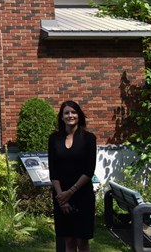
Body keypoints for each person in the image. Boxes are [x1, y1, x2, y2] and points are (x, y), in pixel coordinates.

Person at [48, 101, 97, 252]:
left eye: (73, 112)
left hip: (82, 194)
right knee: (68, 239)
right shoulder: (54, 139)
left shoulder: (89, 138)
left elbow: (89, 170)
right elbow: (53, 170)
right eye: (66, 113)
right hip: (60, 196)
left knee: (82, 241)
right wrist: (61, 197)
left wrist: (70, 192)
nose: (70, 115)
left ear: (79, 116)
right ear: (61, 117)